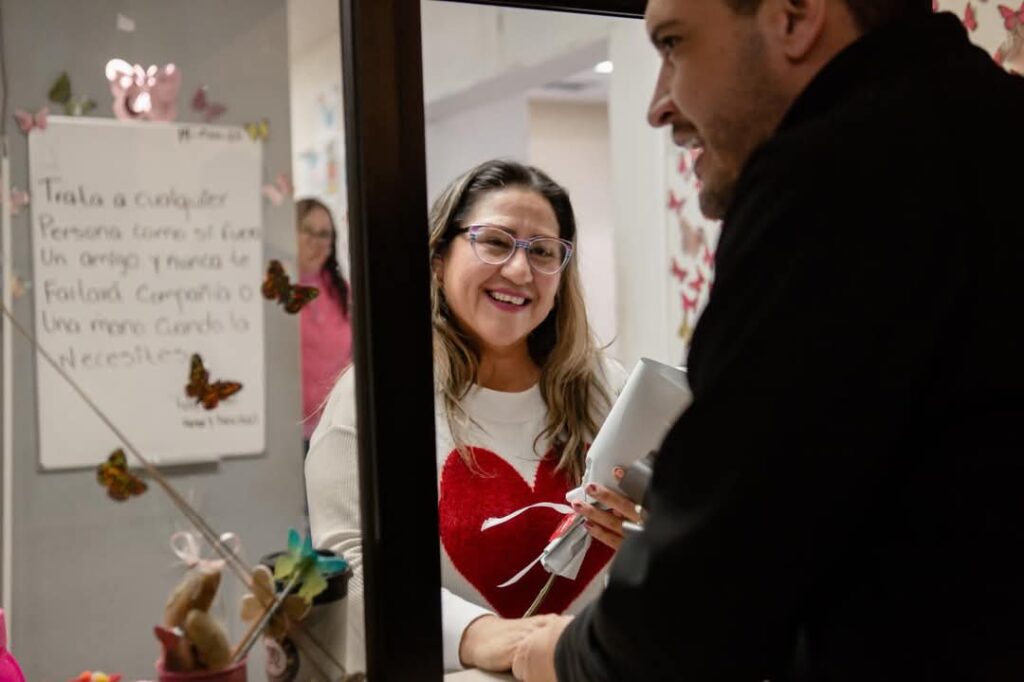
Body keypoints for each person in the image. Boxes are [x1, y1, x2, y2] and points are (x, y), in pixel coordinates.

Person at [513, 1, 1024, 680]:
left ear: (793, 15)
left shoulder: (833, 177)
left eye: (673, 45)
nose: (658, 106)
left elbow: (709, 590)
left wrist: (564, 656)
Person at [305, 160, 640, 674]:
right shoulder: (379, 397)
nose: (519, 271)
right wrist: (478, 635)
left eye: (543, 252)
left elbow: (665, 543)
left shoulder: (606, 389)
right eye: (496, 242)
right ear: (439, 258)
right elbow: (349, 565)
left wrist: (647, 533)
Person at [295, 197, 353, 451]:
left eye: (325, 235)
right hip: (289, 432)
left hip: (335, 428)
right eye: (308, 232)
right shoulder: (276, 290)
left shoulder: (343, 292)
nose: (317, 243)